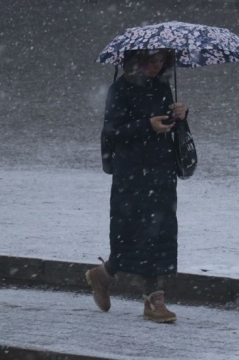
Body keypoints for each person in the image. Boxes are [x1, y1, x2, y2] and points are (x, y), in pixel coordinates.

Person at [86, 49, 188, 323]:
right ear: (136, 61)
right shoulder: (120, 89)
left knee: (160, 233)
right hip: (132, 173)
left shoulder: (162, 86)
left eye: (161, 62)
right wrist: (147, 126)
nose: (157, 67)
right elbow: (112, 132)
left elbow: (168, 127)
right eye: (151, 61)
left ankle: (105, 274)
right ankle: (154, 302)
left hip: (161, 171)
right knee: (137, 233)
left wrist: (179, 116)